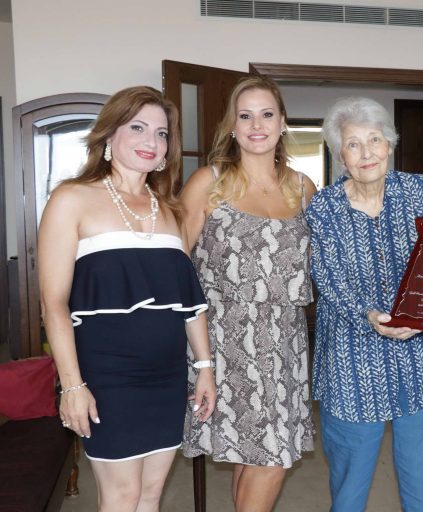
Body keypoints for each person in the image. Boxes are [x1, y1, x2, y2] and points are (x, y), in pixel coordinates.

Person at [38, 86, 215, 511]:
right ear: (109, 135)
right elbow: (53, 304)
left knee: (150, 495)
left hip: (167, 375)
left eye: (161, 133)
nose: (151, 141)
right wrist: (73, 385)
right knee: (122, 496)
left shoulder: (169, 210)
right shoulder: (72, 198)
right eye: (137, 128)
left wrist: (205, 367)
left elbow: (188, 304)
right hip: (107, 375)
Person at [305, 97, 423, 511]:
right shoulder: (324, 207)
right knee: (350, 482)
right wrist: (368, 315)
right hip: (351, 360)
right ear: (340, 155)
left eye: (375, 139)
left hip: (416, 353)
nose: (366, 152)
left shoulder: (419, 189)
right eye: (353, 144)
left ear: (390, 144)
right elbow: (328, 280)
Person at [181, 76, 316, 512]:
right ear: (232, 126)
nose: (257, 125)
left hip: (286, 343)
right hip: (225, 343)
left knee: (256, 455)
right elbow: (175, 268)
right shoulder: (208, 182)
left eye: (266, 114)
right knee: (271, 459)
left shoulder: (303, 188)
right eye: (246, 115)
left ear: (282, 122)